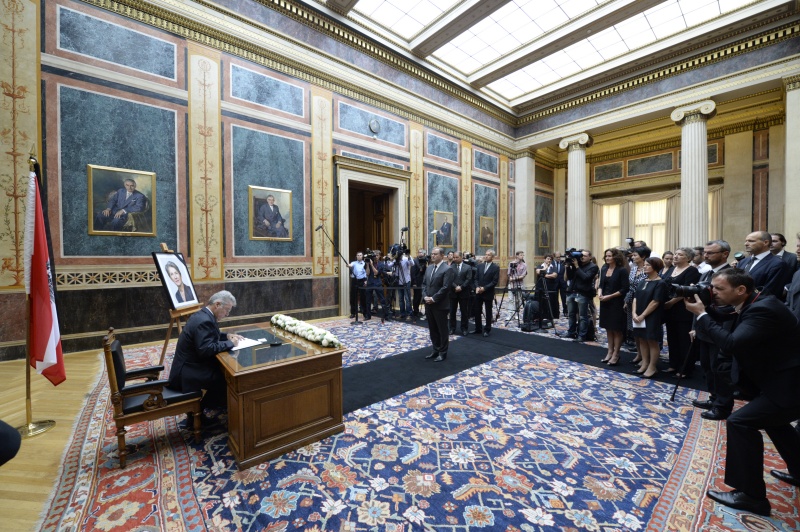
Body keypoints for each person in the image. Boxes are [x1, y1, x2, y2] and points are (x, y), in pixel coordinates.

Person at [686, 269, 800, 517]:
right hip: (781, 380)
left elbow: (732, 342)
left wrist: (702, 315)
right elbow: (727, 316)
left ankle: (750, 496)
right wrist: (706, 308)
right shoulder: (755, 302)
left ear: (740, 290)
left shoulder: (763, 309)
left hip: (790, 384)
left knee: (740, 423)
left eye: (718, 289)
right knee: (776, 423)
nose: (712, 291)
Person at [167, 291, 244, 409]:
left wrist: (227, 336)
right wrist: (230, 343)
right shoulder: (205, 320)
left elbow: (210, 334)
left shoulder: (203, 314)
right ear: (217, 304)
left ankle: (215, 407)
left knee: (224, 371)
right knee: (226, 379)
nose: (227, 314)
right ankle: (203, 410)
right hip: (187, 371)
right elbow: (206, 349)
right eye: (227, 310)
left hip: (189, 364)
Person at [690, 240, 735, 421]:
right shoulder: (707, 273)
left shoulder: (732, 275)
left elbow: (730, 306)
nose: (705, 255)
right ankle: (713, 398)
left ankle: (722, 406)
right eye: (705, 252)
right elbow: (698, 303)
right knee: (707, 366)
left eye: (710, 253)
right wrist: (695, 326)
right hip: (704, 328)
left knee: (720, 369)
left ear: (724, 254)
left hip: (720, 328)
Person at [663, 247, 701, 377]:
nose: (675, 256)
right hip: (669, 310)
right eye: (675, 254)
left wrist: (671, 302)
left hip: (683, 310)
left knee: (684, 340)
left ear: (688, 258)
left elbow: (686, 290)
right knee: (672, 338)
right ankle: (673, 364)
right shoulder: (672, 269)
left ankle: (685, 368)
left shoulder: (692, 271)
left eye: (680, 255)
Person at [631, 256, 666, 378]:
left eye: (647, 265)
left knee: (652, 341)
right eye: (644, 265)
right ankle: (644, 363)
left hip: (651, 315)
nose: (644, 266)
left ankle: (652, 366)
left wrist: (643, 315)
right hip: (638, 314)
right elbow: (635, 298)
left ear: (655, 267)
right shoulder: (643, 281)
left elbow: (656, 302)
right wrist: (634, 313)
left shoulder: (660, 282)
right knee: (641, 339)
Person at [422, 247, 454, 362]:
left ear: (442, 255)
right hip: (428, 304)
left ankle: (443, 352)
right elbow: (424, 284)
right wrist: (425, 296)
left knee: (442, 329)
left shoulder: (447, 269)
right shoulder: (429, 268)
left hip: (440, 305)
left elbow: (446, 287)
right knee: (432, 329)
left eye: (435, 254)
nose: (433, 256)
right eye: (432, 254)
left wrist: (434, 298)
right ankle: (435, 349)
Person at [598, 248, 629, 365]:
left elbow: (625, 289)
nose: (607, 258)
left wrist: (610, 296)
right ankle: (609, 352)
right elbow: (601, 284)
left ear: (615, 257)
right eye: (606, 256)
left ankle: (616, 353)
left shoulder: (622, 270)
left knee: (616, 329)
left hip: (616, 302)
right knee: (608, 328)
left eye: (610, 256)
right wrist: (600, 293)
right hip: (604, 301)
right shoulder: (604, 268)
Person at [735, 231, 790, 297]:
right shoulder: (743, 262)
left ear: (765, 242)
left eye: (751, 241)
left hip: (758, 305)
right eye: (746, 241)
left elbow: (769, 291)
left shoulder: (777, 264)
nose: (746, 244)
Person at [563, 249, 599, 342]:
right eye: (581, 255)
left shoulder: (593, 267)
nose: (582, 257)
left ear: (590, 257)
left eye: (585, 256)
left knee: (583, 316)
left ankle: (582, 335)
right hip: (572, 292)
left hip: (583, 293)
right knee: (571, 314)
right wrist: (568, 266)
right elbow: (570, 277)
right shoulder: (577, 264)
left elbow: (585, 278)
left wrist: (577, 266)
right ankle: (571, 332)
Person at [624, 246, 650, 354]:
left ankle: (645, 355)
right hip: (631, 300)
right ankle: (639, 353)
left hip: (643, 301)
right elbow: (630, 286)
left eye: (635, 255)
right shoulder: (633, 268)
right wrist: (626, 300)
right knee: (634, 329)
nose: (633, 257)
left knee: (643, 330)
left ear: (643, 256)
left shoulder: (649, 268)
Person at [472, 249, 499, 337]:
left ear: (493, 257)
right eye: (486, 254)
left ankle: (487, 329)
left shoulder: (495, 267)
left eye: (489, 255)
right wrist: (477, 287)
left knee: (488, 312)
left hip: (488, 293)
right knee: (477, 311)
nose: (486, 256)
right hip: (478, 292)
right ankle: (478, 328)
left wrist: (484, 288)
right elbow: (475, 278)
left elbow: (494, 281)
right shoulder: (480, 266)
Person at [448, 251, 473, 336]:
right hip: (453, 292)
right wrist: (455, 287)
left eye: (456, 257)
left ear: (461, 257)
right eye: (454, 257)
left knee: (464, 312)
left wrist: (461, 287)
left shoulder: (467, 267)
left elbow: (468, 279)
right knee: (452, 312)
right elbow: (450, 279)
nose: (454, 259)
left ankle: (464, 328)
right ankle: (452, 328)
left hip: (464, 292)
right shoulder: (451, 266)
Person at [535, 254, 560, 321]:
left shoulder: (553, 267)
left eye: (550, 259)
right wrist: (545, 268)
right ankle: (540, 316)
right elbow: (538, 272)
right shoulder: (540, 266)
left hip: (550, 287)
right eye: (548, 259)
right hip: (541, 287)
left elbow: (554, 275)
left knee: (550, 301)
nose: (549, 260)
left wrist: (544, 275)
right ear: (544, 259)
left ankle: (550, 316)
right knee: (541, 301)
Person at [349, 252, 368, 319]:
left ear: (362, 256)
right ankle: (353, 313)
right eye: (358, 255)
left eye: (360, 255)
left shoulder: (364, 263)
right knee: (353, 297)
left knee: (363, 297)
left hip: (362, 280)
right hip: (355, 281)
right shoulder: (354, 263)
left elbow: (365, 273)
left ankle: (365, 313)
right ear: (356, 256)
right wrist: (348, 265)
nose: (359, 256)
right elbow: (350, 265)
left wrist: (366, 281)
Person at [410, 249, 428, 318]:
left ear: (424, 254)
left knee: (421, 297)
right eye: (419, 252)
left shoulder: (424, 261)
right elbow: (412, 273)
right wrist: (414, 283)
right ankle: (415, 311)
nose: (419, 253)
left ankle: (421, 312)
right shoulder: (415, 261)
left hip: (423, 282)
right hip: (416, 282)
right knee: (416, 298)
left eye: (421, 252)